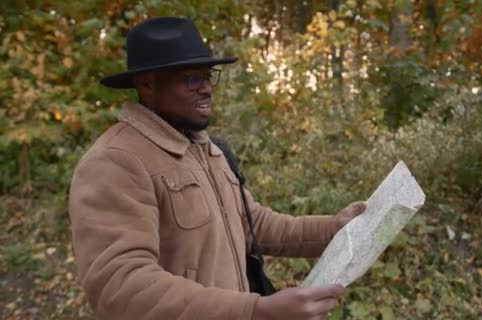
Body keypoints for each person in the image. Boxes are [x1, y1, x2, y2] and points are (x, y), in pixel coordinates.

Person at [68, 16, 366, 320]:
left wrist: (333, 229)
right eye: (191, 78)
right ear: (146, 84)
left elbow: (253, 225)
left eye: (208, 76)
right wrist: (255, 311)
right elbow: (120, 288)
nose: (207, 89)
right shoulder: (115, 161)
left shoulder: (207, 148)